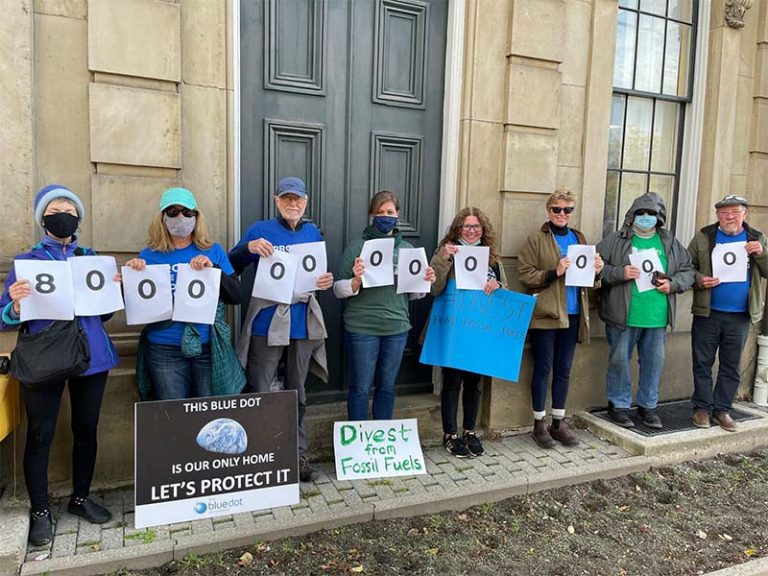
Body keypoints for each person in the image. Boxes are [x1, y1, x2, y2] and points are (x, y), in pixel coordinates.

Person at [0, 184, 119, 546]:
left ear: (78, 217)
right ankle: (39, 510)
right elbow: (4, 319)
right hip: (43, 358)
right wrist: (15, 306)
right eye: (55, 209)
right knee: (40, 434)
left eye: (70, 208)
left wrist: (113, 289)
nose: (64, 214)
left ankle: (80, 498)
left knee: (87, 428)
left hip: (91, 354)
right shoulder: (27, 263)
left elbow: (107, 313)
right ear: (43, 219)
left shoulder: (90, 256)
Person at [229, 177, 333, 483]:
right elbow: (231, 266)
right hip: (267, 321)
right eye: (286, 198)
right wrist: (247, 248)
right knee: (260, 388)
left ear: (306, 201)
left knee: (296, 391)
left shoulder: (313, 232)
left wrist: (324, 282)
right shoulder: (260, 230)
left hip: (302, 322)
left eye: (297, 199)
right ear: (276, 200)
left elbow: (316, 275)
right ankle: (257, 456)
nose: (292, 204)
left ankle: (296, 455)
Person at [126, 187, 243, 401]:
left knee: (207, 414)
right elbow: (135, 305)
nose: (180, 217)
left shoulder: (213, 251)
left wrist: (214, 269)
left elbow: (236, 296)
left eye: (187, 212)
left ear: (196, 217)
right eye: (172, 212)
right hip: (163, 348)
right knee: (174, 416)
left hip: (207, 348)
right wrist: (130, 278)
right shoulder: (148, 255)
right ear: (162, 218)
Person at [334, 190, 436, 421]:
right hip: (362, 327)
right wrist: (356, 280)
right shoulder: (356, 247)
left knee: (387, 387)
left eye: (390, 212)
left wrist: (425, 281)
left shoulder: (409, 250)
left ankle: (381, 446)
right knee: (360, 387)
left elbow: (415, 295)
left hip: (396, 328)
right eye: (380, 212)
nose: (385, 216)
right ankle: (358, 443)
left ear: (397, 214)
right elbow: (338, 290)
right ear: (372, 214)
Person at [596, 192, 694, 428]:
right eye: (641, 213)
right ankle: (618, 406)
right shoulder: (615, 240)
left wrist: (673, 284)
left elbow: (689, 270)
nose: (646, 217)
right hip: (623, 315)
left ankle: (648, 407)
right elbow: (595, 268)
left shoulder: (670, 242)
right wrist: (620, 272)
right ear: (632, 215)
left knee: (653, 363)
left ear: (659, 217)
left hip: (657, 317)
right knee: (619, 361)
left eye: (651, 214)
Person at [518, 189, 604, 448]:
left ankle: (558, 422)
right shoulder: (536, 239)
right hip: (547, 314)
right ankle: (538, 424)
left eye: (567, 210)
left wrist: (598, 271)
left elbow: (589, 280)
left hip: (574, 313)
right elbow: (525, 275)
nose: (562, 214)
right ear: (548, 211)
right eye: (557, 209)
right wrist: (554, 272)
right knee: (543, 368)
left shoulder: (579, 237)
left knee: (564, 370)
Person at [688, 195, 768, 431]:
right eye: (724, 213)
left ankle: (722, 409)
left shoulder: (756, 238)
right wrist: (700, 279)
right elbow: (686, 267)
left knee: (730, 365)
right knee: (702, 362)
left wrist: (762, 254)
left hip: (741, 315)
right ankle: (702, 409)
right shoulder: (704, 237)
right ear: (717, 216)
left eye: (735, 212)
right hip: (708, 312)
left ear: (745, 214)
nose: (730, 216)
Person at [429, 207, 505, 458]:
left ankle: (469, 431)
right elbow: (434, 288)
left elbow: (505, 290)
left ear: (483, 229)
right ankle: (449, 434)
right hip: (455, 330)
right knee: (452, 383)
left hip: (481, 331)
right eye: (466, 226)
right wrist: (445, 259)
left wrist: (498, 285)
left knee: (474, 383)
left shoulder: (492, 257)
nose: (471, 231)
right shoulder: (446, 251)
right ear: (458, 229)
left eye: (476, 227)